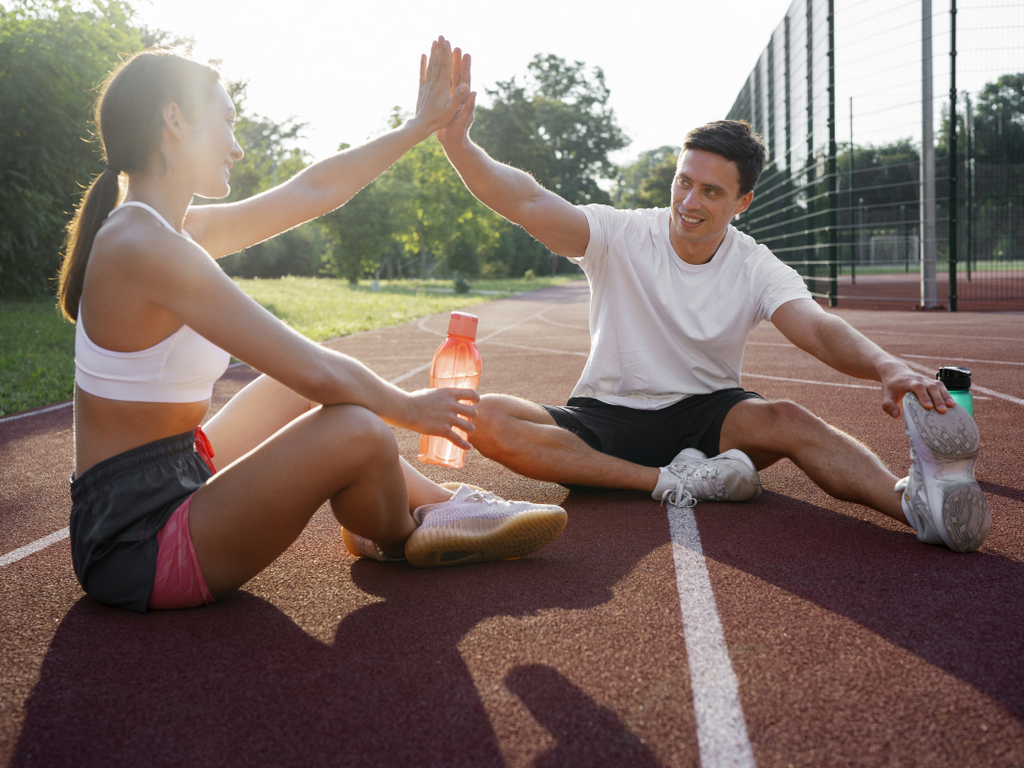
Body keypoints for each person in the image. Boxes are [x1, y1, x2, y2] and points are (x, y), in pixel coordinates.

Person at [58, 39, 567, 614]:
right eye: (227, 123)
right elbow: (313, 367)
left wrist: (416, 127)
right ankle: (394, 527)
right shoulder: (144, 245)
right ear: (173, 120)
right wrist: (410, 408)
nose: (239, 147)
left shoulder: (168, 232)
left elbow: (312, 191)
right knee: (360, 429)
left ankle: (437, 507)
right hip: (137, 545)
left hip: (177, 471)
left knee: (301, 397)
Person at [433, 48, 990, 553]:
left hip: (709, 417)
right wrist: (459, 144)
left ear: (743, 201)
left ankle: (918, 507)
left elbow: (816, 329)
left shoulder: (755, 265)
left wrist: (887, 367)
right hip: (603, 416)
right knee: (482, 416)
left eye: (711, 191)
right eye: (683, 182)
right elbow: (528, 201)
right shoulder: (619, 234)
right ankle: (672, 482)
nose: (689, 201)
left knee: (790, 419)